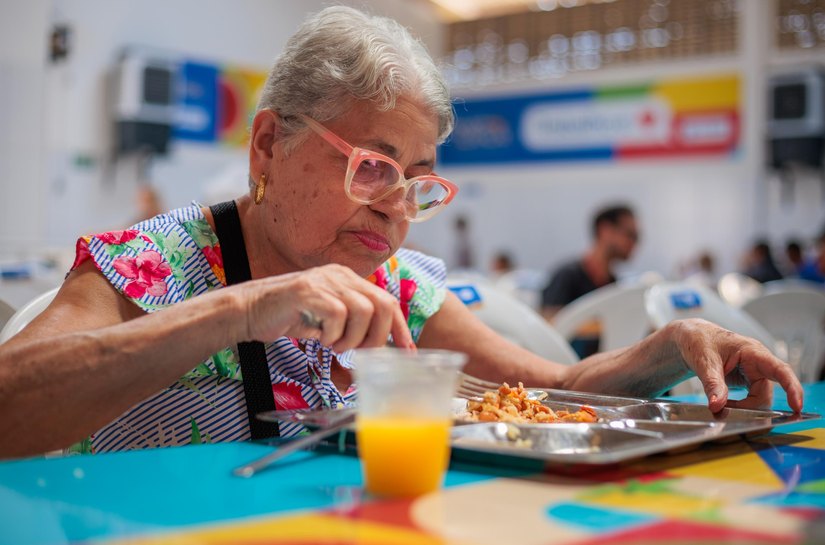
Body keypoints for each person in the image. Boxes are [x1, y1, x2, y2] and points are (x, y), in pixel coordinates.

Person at [0, 7, 802, 460]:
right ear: (269, 144)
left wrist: (666, 346)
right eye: (371, 166)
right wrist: (240, 309)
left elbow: (552, 390)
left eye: (415, 182)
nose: (396, 209)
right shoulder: (153, 264)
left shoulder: (398, 286)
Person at [540, 204, 639, 321]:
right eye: (630, 234)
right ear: (605, 230)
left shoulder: (612, 283)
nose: (634, 243)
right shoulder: (567, 275)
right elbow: (549, 321)